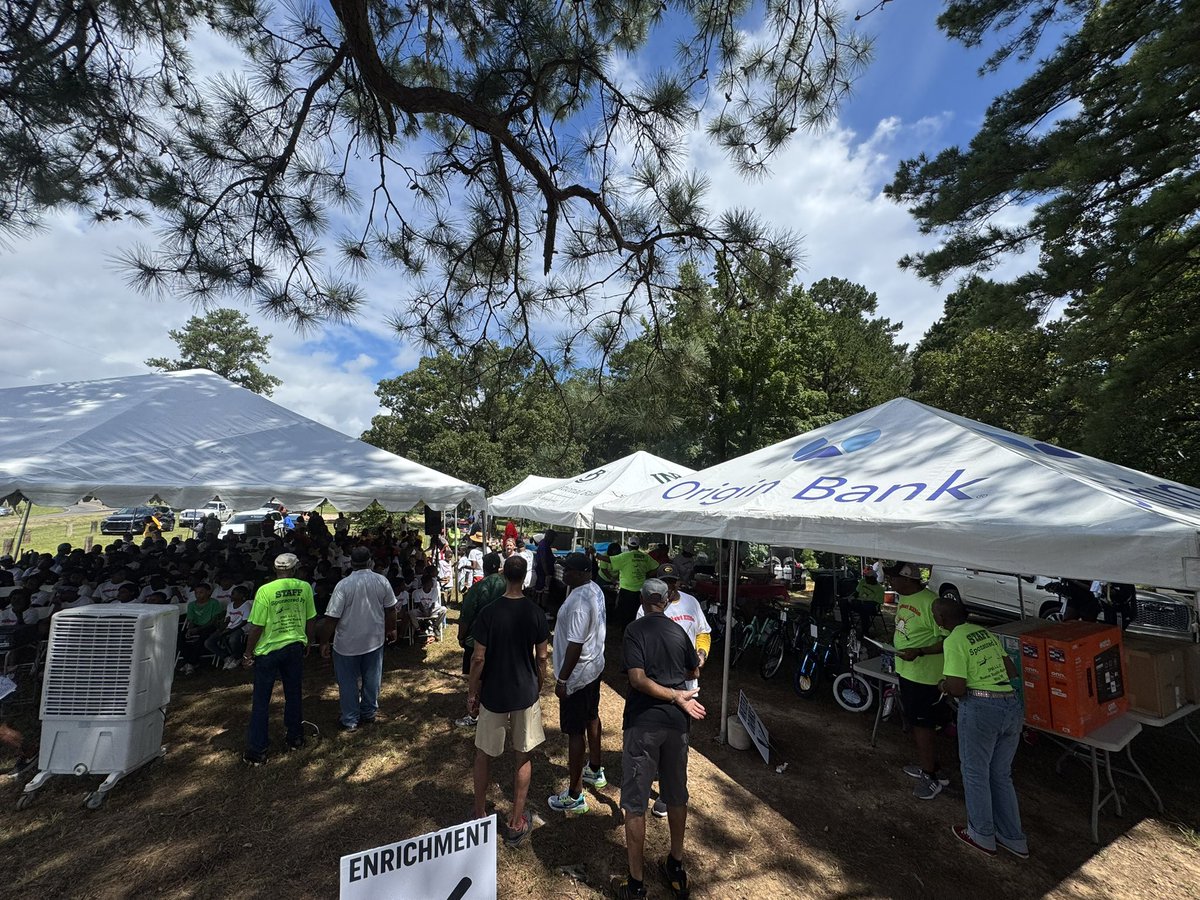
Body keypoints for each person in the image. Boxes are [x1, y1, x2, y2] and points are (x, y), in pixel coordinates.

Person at [615, 578, 706, 900]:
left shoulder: (634, 630)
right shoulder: (679, 632)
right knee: (676, 794)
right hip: (677, 726)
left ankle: (637, 883)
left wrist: (671, 696)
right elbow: (693, 672)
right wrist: (678, 694)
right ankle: (676, 864)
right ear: (665, 601)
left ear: (642, 600)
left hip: (644, 722)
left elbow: (637, 679)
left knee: (636, 803)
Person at [933, 596, 1029, 858]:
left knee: (975, 773)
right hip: (1010, 705)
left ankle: (982, 834)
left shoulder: (953, 640)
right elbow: (1011, 671)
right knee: (1000, 774)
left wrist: (942, 685)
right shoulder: (984, 633)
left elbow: (957, 688)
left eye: (935, 614)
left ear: (941, 619)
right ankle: (1013, 837)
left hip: (981, 708)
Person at [468, 555, 549, 847]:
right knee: (522, 754)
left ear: (504, 575)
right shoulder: (536, 612)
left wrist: (472, 691)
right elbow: (542, 655)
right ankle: (516, 821)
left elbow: (478, 657)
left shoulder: (489, 613)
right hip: (524, 692)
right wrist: (540, 681)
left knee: (483, 753)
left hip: (494, 692)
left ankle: (478, 814)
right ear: (525, 577)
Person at [634, 562, 711, 817]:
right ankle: (652, 774)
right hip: (657, 684)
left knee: (679, 741)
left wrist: (701, 654)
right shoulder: (645, 609)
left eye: (672, 582)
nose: (668, 587)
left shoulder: (691, 603)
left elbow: (704, 632)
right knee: (655, 735)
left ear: (678, 583)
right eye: (663, 582)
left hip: (686, 683)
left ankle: (669, 793)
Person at [242, 553, 317, 766]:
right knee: (293, 694)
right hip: (294, 646)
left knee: (261, 701)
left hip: (268, 650)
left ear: (275, 570)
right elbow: (311, 618)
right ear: (294, 569)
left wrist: (248, 652)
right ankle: (296, 737)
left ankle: (258, 750)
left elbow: (256, 626)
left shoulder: (265, 591)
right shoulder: (304, 587)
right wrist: (308, 642)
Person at [547, 553, 608, 815]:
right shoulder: (594, 590)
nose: (564, 573)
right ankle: (595, 768)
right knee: (591, 717)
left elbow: (574, 644)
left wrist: (563, 679)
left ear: (584, 572)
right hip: (593, 668)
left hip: (578, 675)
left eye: (568, 569)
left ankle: (575, 794)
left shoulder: (581, 602)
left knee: (575, 731)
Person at [887, 561, 951, 800]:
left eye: (893, 578)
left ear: (907, 578)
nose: (890, 582)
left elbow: (949, 639)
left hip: (926, 676)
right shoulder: (904, 597)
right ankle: (933, 767)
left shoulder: (931, 603)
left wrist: (920, 652)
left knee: (923, 725)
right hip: (907, 671)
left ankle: (930, 777)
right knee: (918, 722)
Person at [320, 546, 398, 732]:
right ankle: (369, 712)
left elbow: (332, 618)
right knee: (372, 679)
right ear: (370, 561)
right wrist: (392, 629)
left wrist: (324, 641)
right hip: (374, 640)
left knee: (347, 683)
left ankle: (350, 719)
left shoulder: (343, 585)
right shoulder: (381, 581)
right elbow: (391, 609)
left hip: (346, 643)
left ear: (351, 563)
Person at [455, 552, 505, 727]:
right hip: (502, 639)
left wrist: (461, 636)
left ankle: (474, 714)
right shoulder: (508, 586)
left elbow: (466, 616)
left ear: (483, 567)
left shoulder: (478, 588)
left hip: (477, 640)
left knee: (476, 679)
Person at [602, 538, 660, 630]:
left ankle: (625, 632)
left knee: (625, 613)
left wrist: (595, 555)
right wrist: (648, 575)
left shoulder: (625, 556)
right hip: (641, 590)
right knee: (636, 612)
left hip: (626, 590)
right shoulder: (645, 556)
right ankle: (636, 630)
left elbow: (609, 559)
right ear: (638, 546)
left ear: (628, 546)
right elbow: (657, 566)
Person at [180, 583, 224, 675]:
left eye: (201, 592)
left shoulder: (214, 603)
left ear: (208, 592)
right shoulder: (192, 605)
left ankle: (190, 663)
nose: (198, 595)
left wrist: (198, 629)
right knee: (180, 636)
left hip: (209, 626)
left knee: (202, 637)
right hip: (196, 626)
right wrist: (190, 629)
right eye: (196, 593)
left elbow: (214, 620)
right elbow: (191, 620)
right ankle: (190, 662)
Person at [207, 584, 253, 669]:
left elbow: (244, 621)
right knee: (209, 642)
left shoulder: (246, 605)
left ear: (241, 595)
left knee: (233, 640)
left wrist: (230, 630)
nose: (231, 596)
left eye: (234, 594)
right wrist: (222, 628)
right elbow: (227, 619)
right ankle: (226, 656)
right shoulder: (230, 605)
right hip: (230, 627)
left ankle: (237, 657)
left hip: (242, 628)